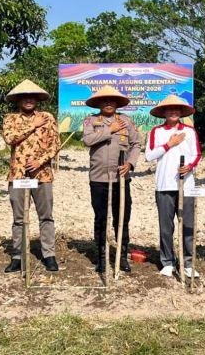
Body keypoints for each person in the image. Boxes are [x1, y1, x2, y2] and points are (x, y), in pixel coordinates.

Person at [1, 79, 61, 273]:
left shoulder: (48, 117)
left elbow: (55, 144)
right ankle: (18, 255)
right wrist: (32, 126)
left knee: (46, 216)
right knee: (19, 218)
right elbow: (10, 139)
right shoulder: (10, 119)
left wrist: (40, 161)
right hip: (17, 174)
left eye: (32, 97)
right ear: (18, 100)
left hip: (42, 174)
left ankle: (49, 254)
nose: (28, 100)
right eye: (24, 97)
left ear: (37, 99)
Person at [81, 85, 141, 273]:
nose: (108, 103)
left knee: (121, 218)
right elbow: (87, 140)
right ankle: (100, 257)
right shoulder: (91, 121)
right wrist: (109, 130)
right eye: (104, 100)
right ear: (99, 103)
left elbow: (136, 143)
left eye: (112, 100)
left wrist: (130, 163)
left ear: (117, 103)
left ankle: (122, 256)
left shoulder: (126, 121)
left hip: (120, 180)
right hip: (98, 178)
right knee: (100, 218)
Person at [145, 95, 202, 279]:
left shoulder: (190, 131)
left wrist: (189, 167)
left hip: (186, 185)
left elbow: (197, 154)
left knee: (188, 225)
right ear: (163, 112)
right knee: (165, 226)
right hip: (164, 184)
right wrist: (169, 144)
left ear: (181, 112)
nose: (173, 112)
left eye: (177, 109)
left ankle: (187, 263)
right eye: (169, 109)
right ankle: (167, 262)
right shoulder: (156, 131)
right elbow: (149, 155)